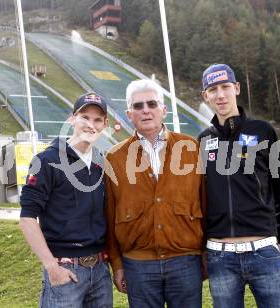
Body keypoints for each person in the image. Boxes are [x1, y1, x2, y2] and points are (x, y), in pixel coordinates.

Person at [198, 64, 280, 308]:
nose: (220, 94)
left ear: (236, 88)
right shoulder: (202, 141)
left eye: (225, 87)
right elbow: (198, 199)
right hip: (220, 256)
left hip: (263, 250)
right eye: (212, 89)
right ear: (205, 96)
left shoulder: (262, 131)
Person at [105, 79, 205, 308]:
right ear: (129, 114)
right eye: (138, 106)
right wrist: (117, 263)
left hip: (185, 261)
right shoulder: (115, 157)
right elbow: (110, 214)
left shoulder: (190, 148)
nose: (146, 110)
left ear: (164, 110)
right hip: (138, 265)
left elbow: (206, 203)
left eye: (152, 103)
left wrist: (205, 254)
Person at [19, 93, 112, 308]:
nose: (91, 124)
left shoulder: (101, 163)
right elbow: (27, 218)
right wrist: (52, 267)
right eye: (85, 117)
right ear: (72, 119)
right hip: (65, 269)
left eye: (98, 119)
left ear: (105, 124)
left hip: (99, 270)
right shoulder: (46, 161)